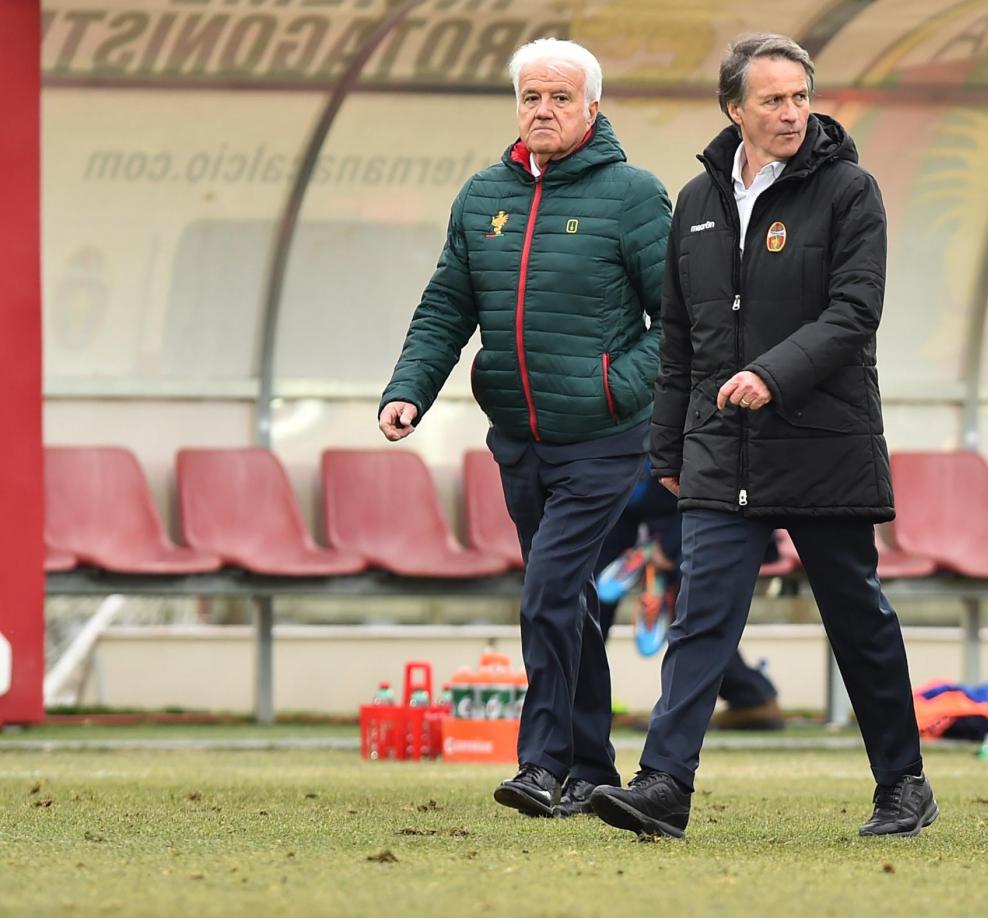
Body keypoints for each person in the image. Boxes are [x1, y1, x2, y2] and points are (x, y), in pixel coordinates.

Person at [590, 34, 937, 839]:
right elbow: (681, 339)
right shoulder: (695, 203)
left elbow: (855, 312)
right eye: (773, 99)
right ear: (734, 109)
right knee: (700, 620)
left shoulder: (851, 192)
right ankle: (664, 786)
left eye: (800, 97)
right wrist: (667, 450)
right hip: (721, 446)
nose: (791, 113)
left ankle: (903, 785)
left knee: (857, 619)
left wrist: (772, 376)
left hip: (825, 444)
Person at [378, 38, 671, 820]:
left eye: (560, 98)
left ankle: (541, 764)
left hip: (604, 440)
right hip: (518, 441)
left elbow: (681, 323)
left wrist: (613, 388)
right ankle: (592, 770)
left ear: (592, 108)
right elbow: (446, 308)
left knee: (546, 594)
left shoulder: (634, 195)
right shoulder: (482, 198)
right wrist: (409, 391)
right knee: (567, 600)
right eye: (531, 97)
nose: (543, 110)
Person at [594, 462, 784, 732]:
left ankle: (745, 699)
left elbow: (707, 469)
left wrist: (669, 545)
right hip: (633, 501)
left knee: (693, 607)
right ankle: (581, 699)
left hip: (705, 508)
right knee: (589, 590)